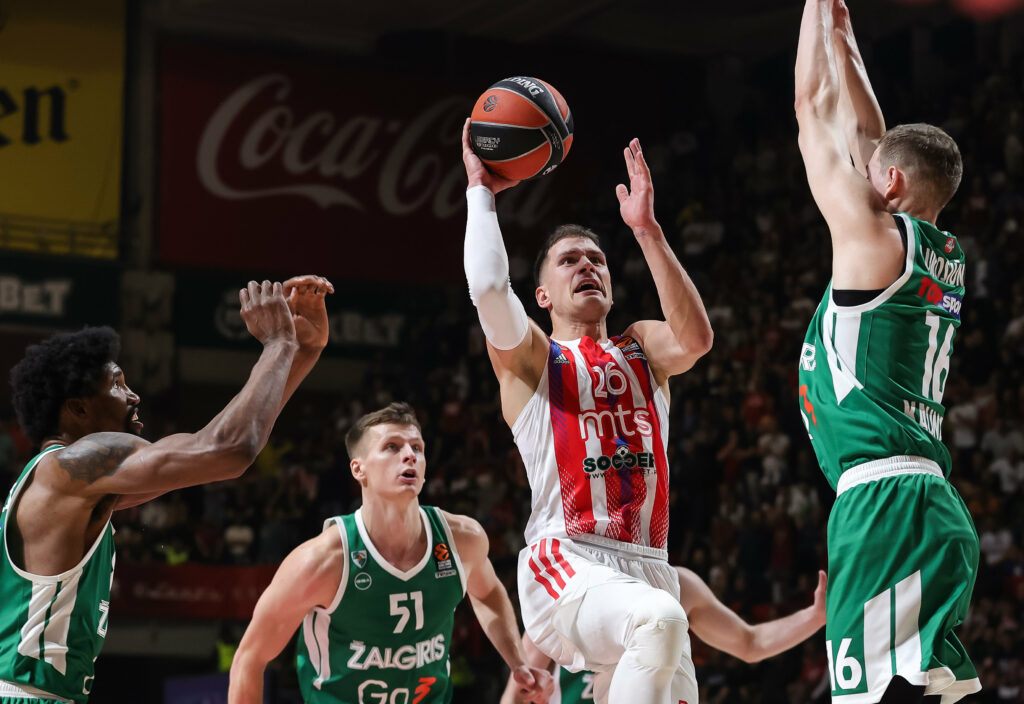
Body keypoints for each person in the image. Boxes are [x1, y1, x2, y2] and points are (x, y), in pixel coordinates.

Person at [462, 117, 714, 704]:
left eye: (597, 259)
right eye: (571, 260)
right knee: (658, 622)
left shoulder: (642, 346)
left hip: (649, 564)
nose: (588, 266)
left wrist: (647, 231)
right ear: (543, 295)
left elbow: (697, 340)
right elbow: (490, 292)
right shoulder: (531, 358)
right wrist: (481, 192)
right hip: (566, 560)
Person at [1, 276, 332, 703]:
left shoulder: (67, 483)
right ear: (78, 408)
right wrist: (278, 345)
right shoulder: (75, 465)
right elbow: (230, 448)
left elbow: (217, 450)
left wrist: (302, 351)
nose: (134, 395)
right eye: (118, 384)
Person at [794, 1, 980, 702]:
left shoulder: (872, 240)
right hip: (932, 507)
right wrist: (844, 38)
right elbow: (872, 137)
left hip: (885, 506)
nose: (860, 171)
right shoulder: (942, 252)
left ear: (892, 184)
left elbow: (812, 111)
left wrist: (814, 14)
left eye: (872, 171)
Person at [228, 402, 553, 704]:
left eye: (417, 448)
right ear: (359, 470)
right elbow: (249, 658)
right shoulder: (322, 561)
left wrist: (517, 662)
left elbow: (488, 592)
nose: (409, 455)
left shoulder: (462, 539)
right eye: (392, 447)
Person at [500, 568, 827, 704]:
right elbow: (517, 689)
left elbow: (750, 643)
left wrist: (814, 617)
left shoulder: (678, 584)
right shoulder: (568, 592)